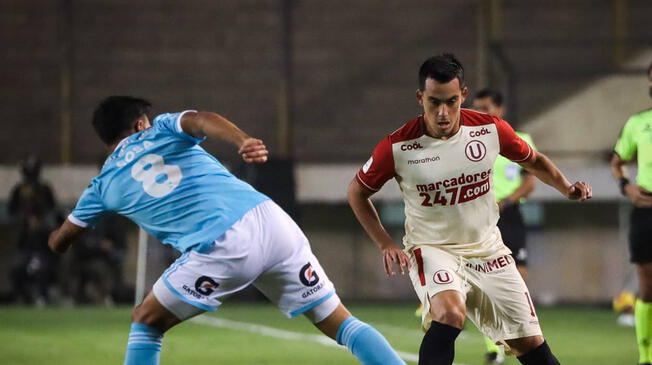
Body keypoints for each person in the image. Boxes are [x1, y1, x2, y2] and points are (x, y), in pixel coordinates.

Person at [48, 96, 406, 365]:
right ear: (140, 122)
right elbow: (202, 120)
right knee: (340, 323)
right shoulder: (161, 128)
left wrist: (62, 231)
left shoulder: (102, 186)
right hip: (271, 220)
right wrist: (241, 140)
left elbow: (61, 241)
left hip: (221, 244)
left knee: (146, 320)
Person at [347, 54, 592, 365]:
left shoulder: (490, 129)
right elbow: (357, 192)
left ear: (463, 94)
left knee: (530, 342)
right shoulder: (398, 146)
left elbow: (534, 161)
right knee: (450, 314)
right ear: (420, 97)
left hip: (489, 250)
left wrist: (567, 188)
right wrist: (384, 243)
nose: (443, 112)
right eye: (434, 102)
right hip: (433, 248)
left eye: (451, 101)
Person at [473, 88, 537, 364]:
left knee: (517, 283)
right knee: (485, 282)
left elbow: (530, 182)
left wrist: (507, 201)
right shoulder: (469, 142)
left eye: (486, 108)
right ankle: (493, 348)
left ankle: (523, 340)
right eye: (477, 108)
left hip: (510, 215)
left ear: (500, 110)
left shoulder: (519, 140)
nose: (481, 114)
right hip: (480, 218)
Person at [611, 61, 652, 365]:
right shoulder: (638, 123)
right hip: (645, 209)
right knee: (647, 284)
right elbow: (617, 161)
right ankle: (646, 357)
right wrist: (626, 186)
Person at [8, 155, 61, 305]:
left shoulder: (45, 189)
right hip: (25, 242)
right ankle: (21, 297)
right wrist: (25, 221)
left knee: (44, 269)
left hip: (44, 242)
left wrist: (42, 223)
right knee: (18, 269)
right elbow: (12, 214)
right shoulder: (18, 190)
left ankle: (42, 297)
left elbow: (54, 212)